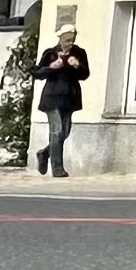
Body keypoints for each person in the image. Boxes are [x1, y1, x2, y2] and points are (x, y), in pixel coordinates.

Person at [33, 26, 90, 177]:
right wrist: (51, 67)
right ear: (60, 38)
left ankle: (44, 153)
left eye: (72, 40)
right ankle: (57, 168)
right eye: (67, 40)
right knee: (56, 131)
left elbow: (85, 74)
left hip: (70, 98)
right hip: (52, 98)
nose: (70, 43)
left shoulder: (79, 53)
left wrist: (77, 65)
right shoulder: (50, 53)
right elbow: (37, 73)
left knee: (64, 132)